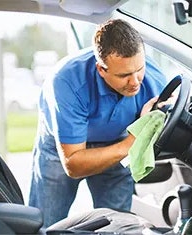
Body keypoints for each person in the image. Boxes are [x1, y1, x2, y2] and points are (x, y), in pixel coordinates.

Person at [29, 18, 167, 227]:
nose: (135, 81)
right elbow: (73, 164)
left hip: (117, 140)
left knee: (117, 226)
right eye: (124, 75)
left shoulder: (155, 81)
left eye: (139, 68)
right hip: (61, 149)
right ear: (101, 69)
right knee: (44, 225)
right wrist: (133, 142)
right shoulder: (67, 82)